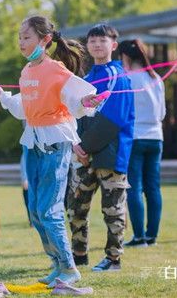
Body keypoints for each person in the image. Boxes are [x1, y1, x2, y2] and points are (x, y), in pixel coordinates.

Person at [0, 15, 104, 288]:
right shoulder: (27, 71)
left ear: (45, 40)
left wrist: (87, 101)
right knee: (35, 210)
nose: (21, 42)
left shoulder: (57, 70)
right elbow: (24, 107)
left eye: (26, 37)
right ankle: (56, 264)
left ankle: (69, 268)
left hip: (56, 144)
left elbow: (78, 97)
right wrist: (4, 98)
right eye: (19, 37)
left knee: (49, 210)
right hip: (33, 144)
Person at [67, 24, 135, 272]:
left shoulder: (119, 76)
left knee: (113, 210)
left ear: (113, 45)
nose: (96, 44)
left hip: (111, 154)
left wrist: (84, 147)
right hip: (84, 155)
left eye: (102, 40)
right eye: (92, 40)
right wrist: (76, 145)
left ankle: (113, 259)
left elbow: (114, 118)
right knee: (75, 208)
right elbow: (77, 115)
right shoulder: (85, 79)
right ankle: (79, 254)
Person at [117, 39, 166, 247]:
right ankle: (151, 235)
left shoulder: (128, 79)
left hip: (136, 136)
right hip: (156, 137)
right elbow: (163, 112)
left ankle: (139, 237)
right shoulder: (156, 79)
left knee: (134, 188)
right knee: (153, 188)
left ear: (125, 57)